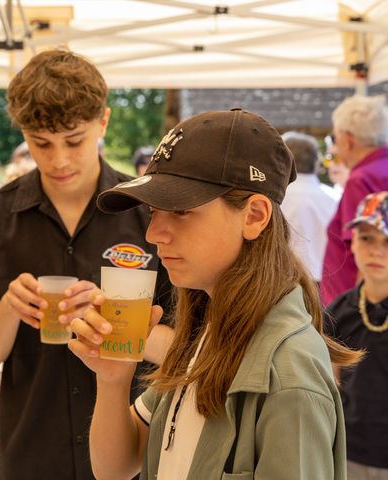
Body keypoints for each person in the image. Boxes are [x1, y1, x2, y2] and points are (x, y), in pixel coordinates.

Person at [68, 108, 362, 480]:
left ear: (254, 216)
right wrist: (113, 380)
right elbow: (116, 467)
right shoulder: (205, 331)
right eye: (155, 211)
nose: (153, 233)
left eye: (181, 210)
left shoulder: (289, 375)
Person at [0, 49, 172, 480]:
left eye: (75, 140)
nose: (59, 160)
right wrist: (9, 310)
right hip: (31, 454)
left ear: (102, 122)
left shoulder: (150, 214)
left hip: (138, 455)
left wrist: (118, 321)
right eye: (41, 143)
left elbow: (186, 350)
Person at [324, 192, 388, 480]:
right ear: (353, 242)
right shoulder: (338, 310)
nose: (376, 250)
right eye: (366, 238)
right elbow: (331, 382)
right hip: (347, 453)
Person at [321, 95, 388, 305]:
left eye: (335, 138)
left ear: (347, 139)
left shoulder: (362, 179)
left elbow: (366, 257)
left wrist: (357, 314)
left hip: (366, 310)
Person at [281, 131, 338, 282]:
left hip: (286, 284)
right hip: (329, 285)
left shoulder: (275, 199)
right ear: (315, 162)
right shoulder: (334, 199)